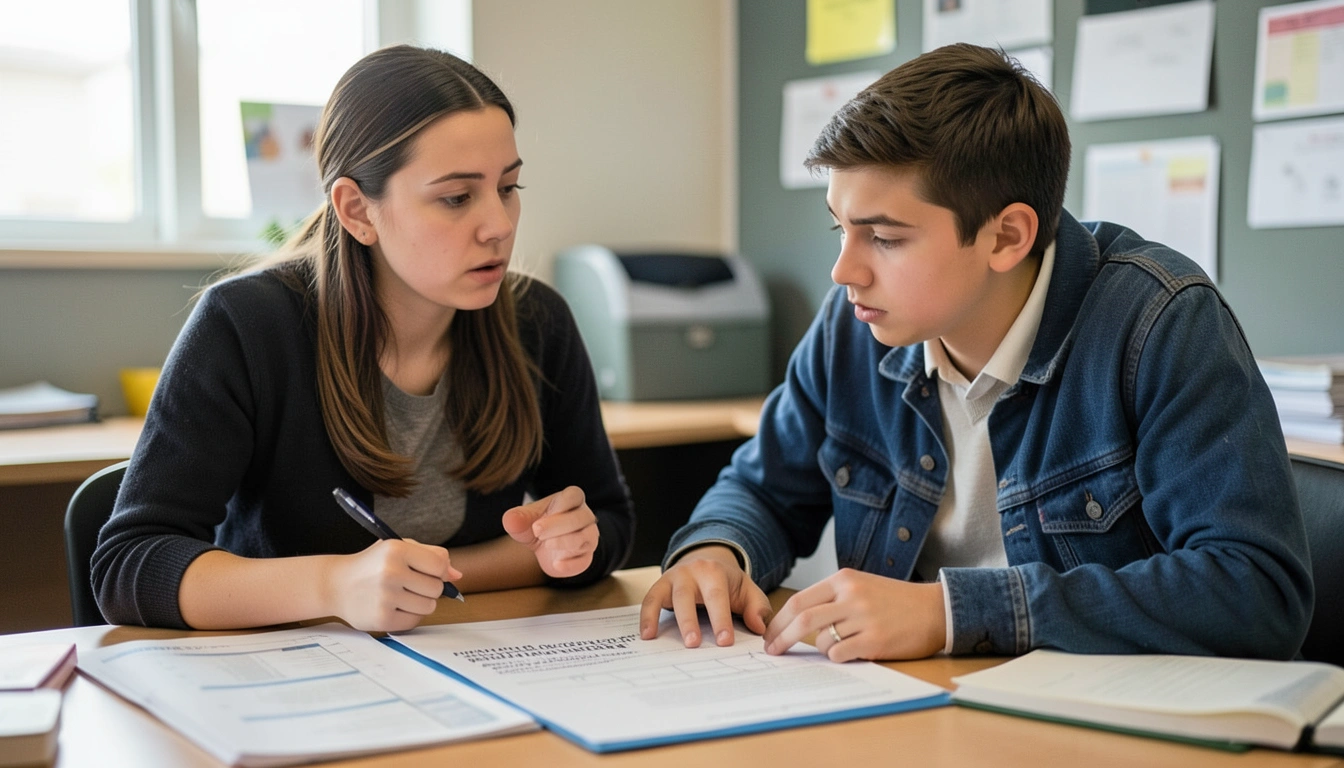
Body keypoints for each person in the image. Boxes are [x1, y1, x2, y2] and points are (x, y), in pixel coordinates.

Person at [640, 44, 1312, 661]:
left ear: (1006, 237)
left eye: (884, 238)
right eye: (840, 227)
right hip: (917, 707)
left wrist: (954, 613)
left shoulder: (1159, 323)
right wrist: (716, 550)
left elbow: (1256, 591)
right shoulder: (857, 325)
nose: (844, 271)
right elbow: (762, 489)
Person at [92, 45, 633, 631]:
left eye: (508, 188)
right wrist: (334, 584)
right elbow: (129, 564)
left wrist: (570, 545)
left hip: (464, 658)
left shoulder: (538, 321)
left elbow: (610, 519)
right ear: (357, 210)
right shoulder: (248, 324)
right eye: (456, 198)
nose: (499, 226)